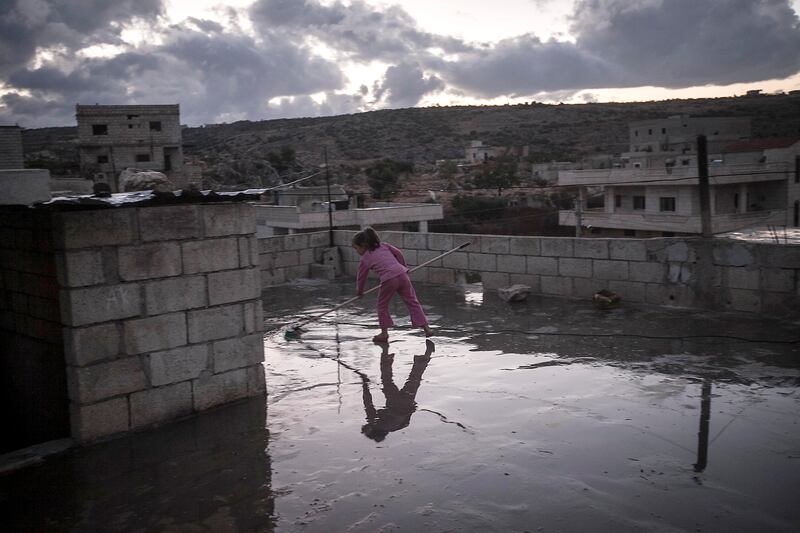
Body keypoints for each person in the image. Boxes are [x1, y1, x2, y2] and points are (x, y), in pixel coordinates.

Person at [352, 227, 432, 343]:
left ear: (363, 245)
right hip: (402, 275)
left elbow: (361, 276)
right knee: (412, 302)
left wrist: (359, 291)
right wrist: (404, 267)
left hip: (389, 280)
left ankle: (384, 334)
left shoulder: (365, 258)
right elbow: (398, 253)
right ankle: (426, 328)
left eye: (356, 248)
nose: (357, 252)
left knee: (382, 306)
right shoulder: (384, 246)